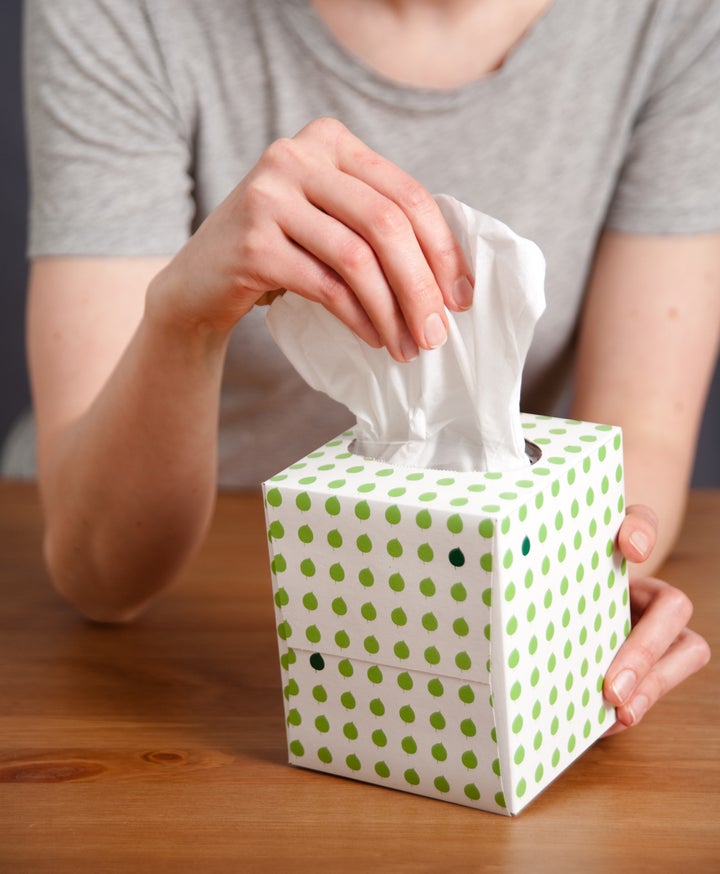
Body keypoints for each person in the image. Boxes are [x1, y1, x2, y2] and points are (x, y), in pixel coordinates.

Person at [22, 0, 717, 735]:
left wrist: (576, 580)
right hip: (183, 635)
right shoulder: (122, 13)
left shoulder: (670, 18)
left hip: (476, 563)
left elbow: (642, 433)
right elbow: (100, 578)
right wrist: (185, 317)